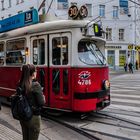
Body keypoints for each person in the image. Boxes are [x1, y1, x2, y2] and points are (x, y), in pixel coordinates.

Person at [18, 64, 45, 140]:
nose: (36, 72)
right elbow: (41, 102)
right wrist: (43, 97)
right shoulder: (36, 85)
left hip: (23, 117)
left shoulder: (20, 83)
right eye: (36, 71)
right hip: (33, 118)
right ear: (33, 73)